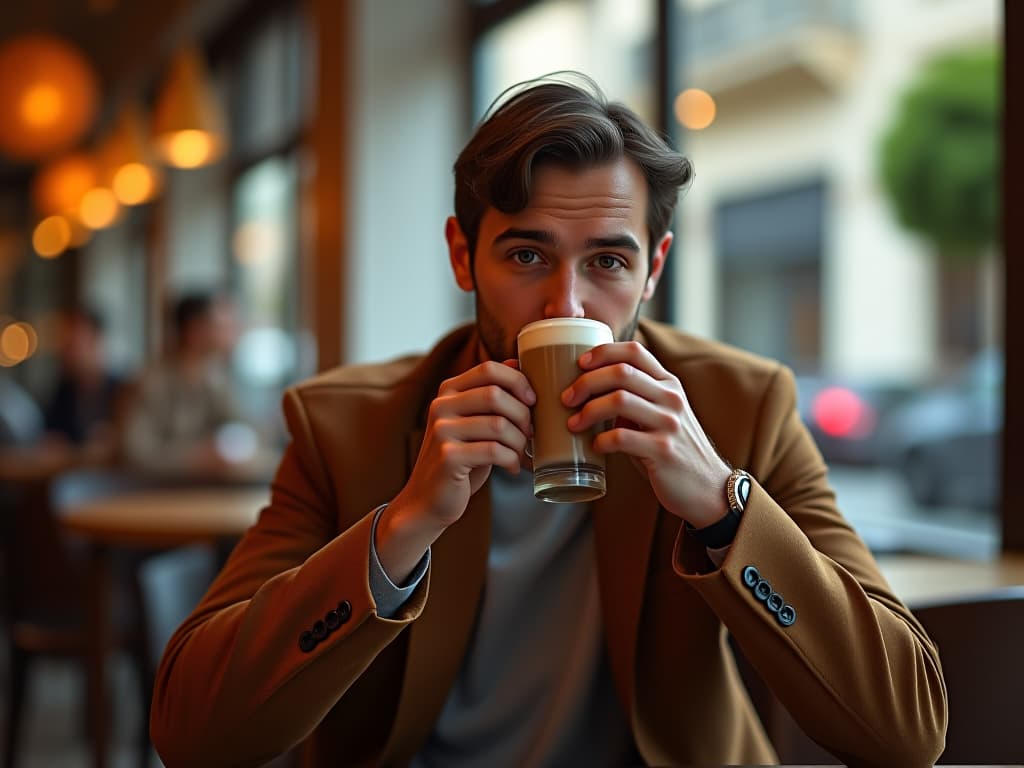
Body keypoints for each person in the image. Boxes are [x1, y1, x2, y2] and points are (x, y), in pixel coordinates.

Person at [150, 75, 946, 766]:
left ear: (653, 271)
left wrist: (721, 506)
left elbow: (905, 733)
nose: (567, 307)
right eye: (527, 256)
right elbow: (191, 733)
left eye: (607, 261)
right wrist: (403, 526)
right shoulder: (345, 427)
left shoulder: (739, 408)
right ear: (463, 256)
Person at [121, 291, 265, 478]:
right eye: (222, 326)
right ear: (195, 331)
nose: (234, 332)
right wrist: (196, 457)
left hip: (205, 496)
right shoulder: (151, 382)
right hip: (153, 496)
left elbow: (245, 430)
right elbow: (133, 453)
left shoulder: (215, 379)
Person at [40, 305, 125, 461]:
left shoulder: (123, 390)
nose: (66, 351)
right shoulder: (63, 391)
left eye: (74, 343)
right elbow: (50, 439)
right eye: (64, 344)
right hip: (71, 477)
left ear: (97, 340)